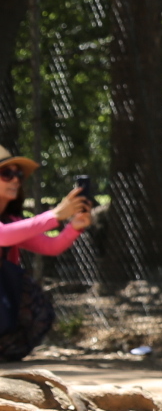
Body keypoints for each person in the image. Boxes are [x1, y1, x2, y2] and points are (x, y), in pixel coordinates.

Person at [0, 149, 93, 360]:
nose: (16, 180)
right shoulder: (7, 228)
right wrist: (55, 215)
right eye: (6, 173)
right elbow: (3, 236)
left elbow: (51, 247)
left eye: (19, 175)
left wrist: (74, 227)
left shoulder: (11, 221)